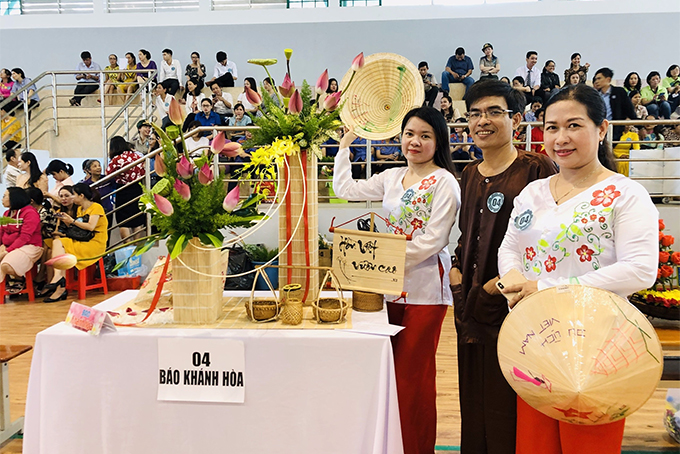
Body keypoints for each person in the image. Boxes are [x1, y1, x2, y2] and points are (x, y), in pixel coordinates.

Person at [497, 83, 657, 454]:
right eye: (551, 127)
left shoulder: (626, 194)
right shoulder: (533, 193)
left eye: (574, 125)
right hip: (536, 340)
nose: (560, 138)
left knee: (588, 444)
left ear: (601, 129)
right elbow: (510, 247)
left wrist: (547, 288)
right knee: (535, 443)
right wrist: (514, 280)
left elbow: (640, 269)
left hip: (599, 346)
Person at [333, 107, 461, 454]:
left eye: (425, 136)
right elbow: (345, 187)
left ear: (439, 141)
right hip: (387, 292)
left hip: (425, 293)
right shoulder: (391, 177)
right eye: (409, 134)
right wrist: (346, 143)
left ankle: (417, 448)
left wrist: (379, 259)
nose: (414, 142)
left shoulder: (445, 182)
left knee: (412, 380)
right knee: (387, 377)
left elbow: (433, 241)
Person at [450, 79, 557, 454]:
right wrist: (457, 277)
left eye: (494, 112)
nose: (483, 120)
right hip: (470, 306)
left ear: (515, 119)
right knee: (472, 397)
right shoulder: (469, 174)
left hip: (514, 304)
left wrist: (501, 285)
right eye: (475, 113)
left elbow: (548, 238)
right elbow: (466, 236)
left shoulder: (536, 168)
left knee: (508, 401)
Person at [43, 183, 108, 302]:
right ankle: (58, 277)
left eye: (73, 195)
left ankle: (59, 283)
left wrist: (71, 221)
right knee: (57, 242)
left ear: (81, 195)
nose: (72, 198)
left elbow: (90, 227)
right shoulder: (79, 209)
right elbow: (78, 229)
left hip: (94, 243)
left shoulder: (96, 207)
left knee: (59, 244)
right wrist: (66, 221)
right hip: (83, 240)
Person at [0, 187, 43, 293]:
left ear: (13, 198)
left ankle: (19, 280)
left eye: (4, 196)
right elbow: (1, 231)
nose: (2, 199)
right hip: (10, 246)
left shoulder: (30, 213)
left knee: (6, 266)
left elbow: (25, 237)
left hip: (30, 246)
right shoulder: (6, 213)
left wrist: (7, 251)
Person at [106, 136, 145, 241]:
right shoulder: (136, 156)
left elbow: (108, 174)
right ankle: (136, 246)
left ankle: (127, 245)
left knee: (124, 220)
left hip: (123, 190)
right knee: (136, 218)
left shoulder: (116, 159)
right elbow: (143, 171)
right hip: (137, 188)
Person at [592, 67, 637, 143]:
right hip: (598, 130)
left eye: (599, 78)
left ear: (608, 79)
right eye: (596, 79)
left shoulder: (619, 92)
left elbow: (629, 110)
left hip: (615, 130)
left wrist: (640, 126)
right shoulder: (594, 95)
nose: (597, 81)